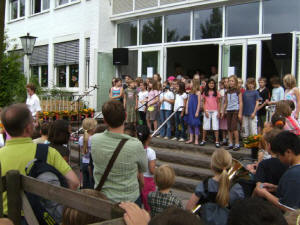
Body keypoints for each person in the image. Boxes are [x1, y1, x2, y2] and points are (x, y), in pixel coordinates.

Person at [0, 104, 79, 217]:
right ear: (29, 127)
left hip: (5, 219)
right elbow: (74, 183)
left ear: (5, 129)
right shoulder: (49, 152)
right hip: (40, 217)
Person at [91, 100, 147, 203]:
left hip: (103, 198)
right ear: (126, 116)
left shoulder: (94, 140)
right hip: (129, 200)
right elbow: (144, 167)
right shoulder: (136, 145)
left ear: (104, 120)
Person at [255, 131, 300, 211]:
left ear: (288, 152)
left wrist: (266, 194)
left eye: (279, 155)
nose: (279, 159)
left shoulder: (294, 174)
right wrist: (276, 188)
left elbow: (289, 208)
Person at [136, 125, 156, 211]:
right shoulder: (150, 152)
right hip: (148, 181)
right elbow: (152, 170)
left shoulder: (135, 149)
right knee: (149, 207)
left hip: (137, 179)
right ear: (149, 137)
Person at [222, 75, 243, 151]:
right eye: (229, 81)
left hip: (235, 110)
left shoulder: (238, 91)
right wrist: (223, 111)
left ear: (235, 82)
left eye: (232, 81)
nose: (230, 82)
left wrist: (240, 113)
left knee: (234, 127)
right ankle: (230, 143)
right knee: (229, 128)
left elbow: (240, 102)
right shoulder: (227, 92)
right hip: (229, 110)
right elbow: (225, 102)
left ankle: (237, 144)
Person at [200, 79, 221, 147]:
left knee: (215, 126)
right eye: (210, 83)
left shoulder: (217, 92)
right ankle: (203, 140)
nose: (211, 84)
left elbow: (219, 102)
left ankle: (217, 141)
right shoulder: (205, 92)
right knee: (205, 126)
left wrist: (219, 112)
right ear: (208, 84)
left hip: (215, 111)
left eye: (213, 83)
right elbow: (203, 102)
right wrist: (205, 110)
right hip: (207, 110)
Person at [79, 118, 97, 189]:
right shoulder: (94, 138)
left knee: (85, 181)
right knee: (92, 182)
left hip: (84, 161)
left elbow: (83, 151)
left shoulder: (81, 138)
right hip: (91, 163)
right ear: (92, 128)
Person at [185, 78, 201, 145]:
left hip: (195, 110)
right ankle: (191, 139)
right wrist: (186, 108)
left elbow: (199, 103)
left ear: (194, 84)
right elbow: (188, 101)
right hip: (190, 110)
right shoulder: (190, 92)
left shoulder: (198, 92)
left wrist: (197, 111)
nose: (190, 84)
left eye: (191, 83)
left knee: (195, 125)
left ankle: (196, 139)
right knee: (190, 125)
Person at [219, 78, 229, 145]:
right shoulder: (221, 91)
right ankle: (224, 139)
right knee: (223, 126)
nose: (226, 83)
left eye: (227, 82)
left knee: (228, 126)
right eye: (224, 82)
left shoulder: (231, 91)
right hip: (222, 109)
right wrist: (221, 110)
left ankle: (229, 139)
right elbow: (220, 102)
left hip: (229, 110)